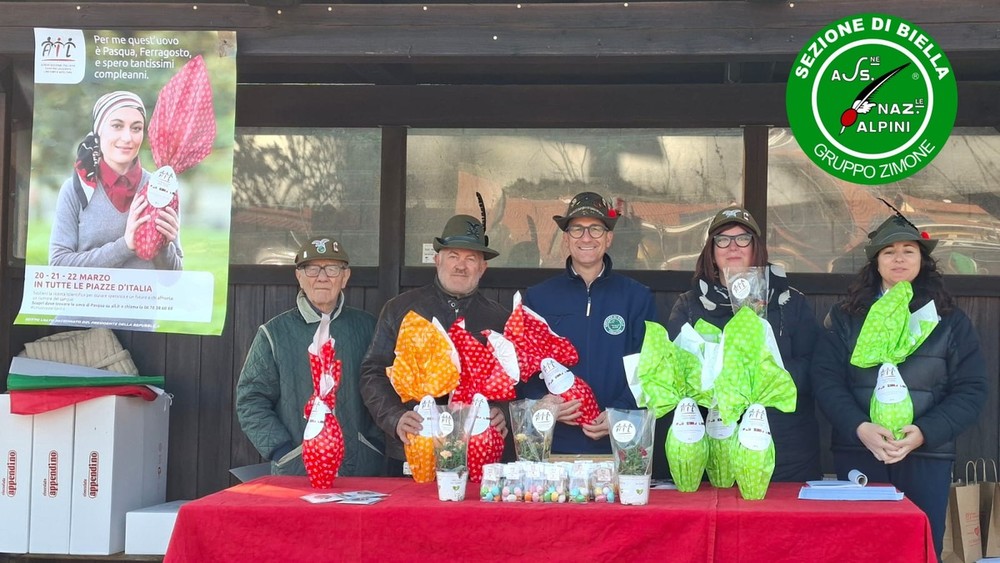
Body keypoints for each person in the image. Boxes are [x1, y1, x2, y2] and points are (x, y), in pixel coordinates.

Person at [812, 213, 987, 558]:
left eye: (909, 250)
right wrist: (859, 428)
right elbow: (826, 382)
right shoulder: (847, 316)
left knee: (917, 549)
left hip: (926, 455)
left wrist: (924, 432)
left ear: (922, 260)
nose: (899, 258)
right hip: (860, 451)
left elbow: (972, 388)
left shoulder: (947, 319)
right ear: (875, 262)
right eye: (888, 251)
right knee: (858, 548)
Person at [666, 205, 821, 482]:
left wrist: (763, 380)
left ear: (756, 248)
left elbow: (814, 367)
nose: (732, 246)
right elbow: (676, 373)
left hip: (782, 450)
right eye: (722, 239)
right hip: (714, 450)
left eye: (743, 238)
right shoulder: (690, 305)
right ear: (711, 251)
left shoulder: (789, 302)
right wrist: (723, 380)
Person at [360, 214, 511, 475]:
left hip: (478, 457)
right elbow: (372, 372)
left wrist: (503, 412)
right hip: (411, 452)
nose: (460, 266)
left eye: (471, 258)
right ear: (437, 259)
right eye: (453, 255)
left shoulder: (498, 318)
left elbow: (515, 382)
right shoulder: (401, 309)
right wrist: (395, 418)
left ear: (482, 268)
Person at [519, 192, 658, 455]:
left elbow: (650, 365)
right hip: (555, 445)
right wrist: (545, 401)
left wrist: (622, 411)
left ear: (609, 237)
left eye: (595, 229)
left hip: (620, 443)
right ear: (566, 238)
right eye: (577, 229)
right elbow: (524, 363)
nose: (586, 237)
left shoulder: (636, 297)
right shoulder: (538, 297)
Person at [236, 236, 383, 477]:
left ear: (345, 277)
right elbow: (251, 400)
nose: (322, 277)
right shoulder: (274, 333)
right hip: (296, 470)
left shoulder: (368, 328)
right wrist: (282, 451)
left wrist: (374, 445)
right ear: (299, 277)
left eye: (332, 268)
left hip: (361, 469)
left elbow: (386, 390)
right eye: (312, 269)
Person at [49, 90, 182, 269]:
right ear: (99, 130)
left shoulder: (161, 188)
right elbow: (58, 265)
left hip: (144, 297)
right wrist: (125, 246)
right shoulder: (75, 189)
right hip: (89, 298)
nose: (127, 137)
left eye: (136, 128)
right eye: (117, 126)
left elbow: (173, 279)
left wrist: (164, 246)